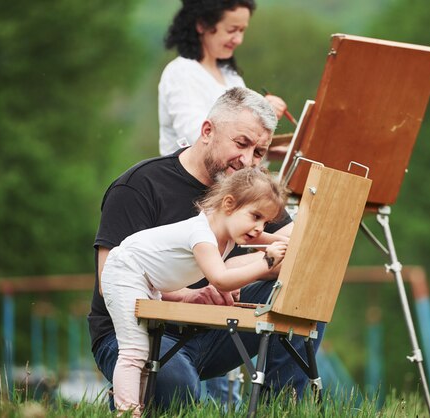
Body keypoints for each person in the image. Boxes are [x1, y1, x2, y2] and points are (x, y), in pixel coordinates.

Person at [88, 87, 325, 411]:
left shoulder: (251, 191)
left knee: (307, 287)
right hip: (141, 328)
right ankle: (132, 395)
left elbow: (303, 253)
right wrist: (188, 295)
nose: (247, 161)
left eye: (259, 152)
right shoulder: (140, 185)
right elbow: (107, 281)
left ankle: (280, 408)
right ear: (207, 131)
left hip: (214, 329)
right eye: (241, 144)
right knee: (179, 391)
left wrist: (250, 268)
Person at [101, 166, 288, 416]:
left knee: (146, 354)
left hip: (147, 280)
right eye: (256, 217)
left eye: (265, 221)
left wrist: (289, 243)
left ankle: (140, 408)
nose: (259, 228)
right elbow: (221, 280)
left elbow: (270, 239)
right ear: (229, 204)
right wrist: (267, 261)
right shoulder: (202, 235)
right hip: (125, 270)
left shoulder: (231, 229)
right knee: (134, 351)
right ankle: (126, 412)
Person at [158, 0, 288, 156]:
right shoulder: (181, 72)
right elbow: (198, 137)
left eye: (242, 30)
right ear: (202, 25)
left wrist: (266, 147)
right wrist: (259, 114)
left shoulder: (230, 75)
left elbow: (240, 139)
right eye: (232, 30)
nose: (238, 39)